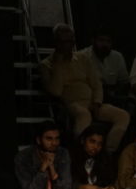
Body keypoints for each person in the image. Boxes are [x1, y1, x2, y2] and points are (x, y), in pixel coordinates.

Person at [40, 23, 130, 153]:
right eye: (63, 41)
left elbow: (96, 83)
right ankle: (82, 153)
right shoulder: (47, 65)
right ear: (56, 42)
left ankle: (108, 151)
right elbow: (55, 91)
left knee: (122, 115)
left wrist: (97, 102)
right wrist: (59, 63)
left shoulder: (82, 58)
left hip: (92, 102)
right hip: (72, 103)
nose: (67, 45)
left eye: (70, 41)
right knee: (83, 115)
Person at [79, 26, 130, 106]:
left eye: (108, 41)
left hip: (113, 96)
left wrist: (115, 92)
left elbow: (124, 81)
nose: (105, 44)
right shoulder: (83, 56)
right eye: (101, 40)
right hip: (90, 98)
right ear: (93, 41)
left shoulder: (117, 56)